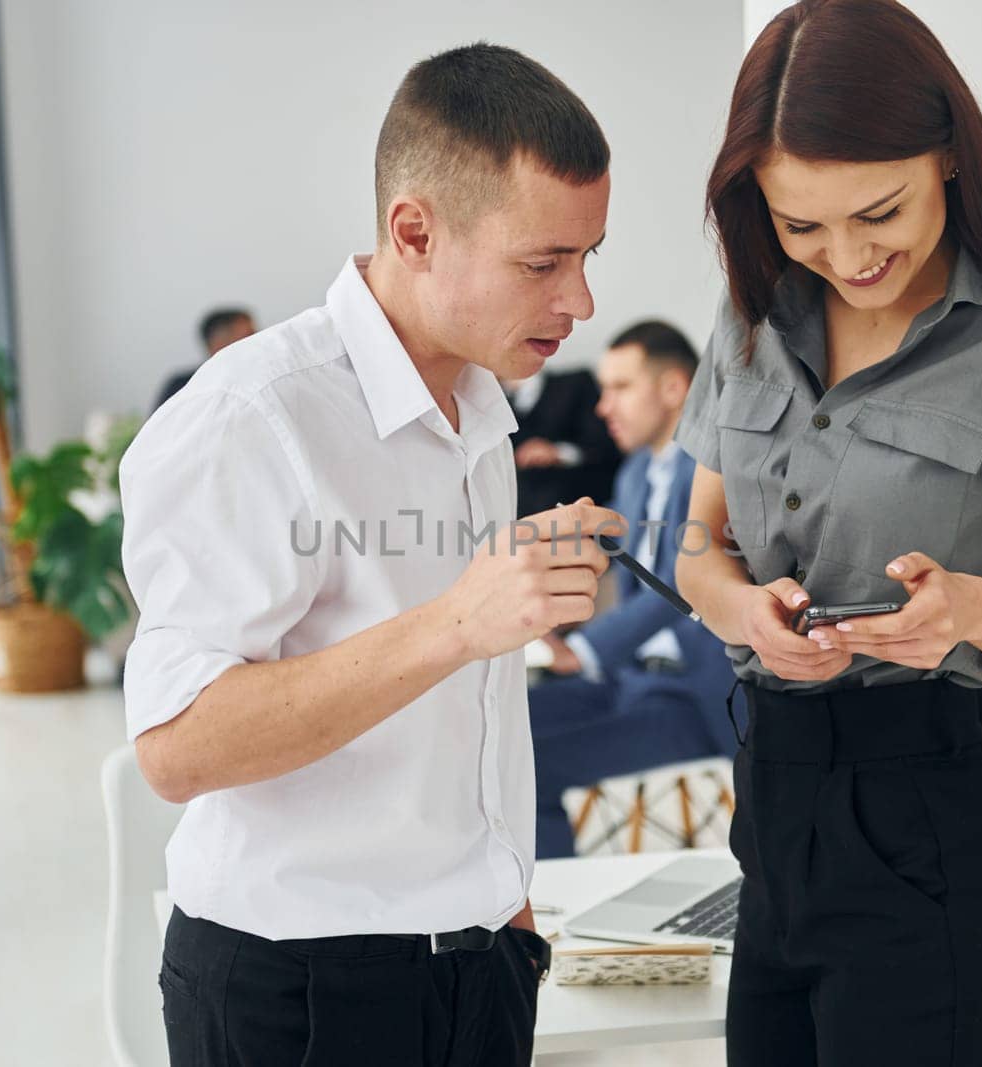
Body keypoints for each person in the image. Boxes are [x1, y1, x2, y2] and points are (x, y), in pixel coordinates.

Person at [120, 45, 617, 1066]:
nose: (580, 302)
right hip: (300, 994)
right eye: (542, 263)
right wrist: (457, 621)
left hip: (477, 970)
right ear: (415, 231)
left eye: (587, 257)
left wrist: (502, 904)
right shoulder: (251, 415)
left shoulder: (479, 406)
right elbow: (175, 745)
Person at [672, 2, 982, 1064]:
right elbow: (693, 550)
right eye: (801, 225)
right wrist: (742, 607)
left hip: (925, 834)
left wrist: (976, 611)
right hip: (771, 831)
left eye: (876, 211)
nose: (845, 255)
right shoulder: (750, 314)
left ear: (947, 158)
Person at [528, 320, 744, 859]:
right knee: (505, 728)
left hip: (693, 696)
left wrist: (583, 650)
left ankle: (542, 922)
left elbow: (682, 584)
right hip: (630, 681)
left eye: (620, 388)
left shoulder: (719, 469)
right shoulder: (634, 475)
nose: (603, 407)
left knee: (529, 770)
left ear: (673, 389)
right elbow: (626, 585)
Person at [504, 365, 621, 516]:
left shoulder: (576, 384)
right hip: (517, 515)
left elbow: (606, 448)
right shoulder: (483, 403)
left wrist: (558, 452)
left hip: (579, 503)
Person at [151, 306, 256, 413]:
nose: (258, 343)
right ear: (219, 344)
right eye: (250, 336)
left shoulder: (259, 378)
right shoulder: (182, 387)